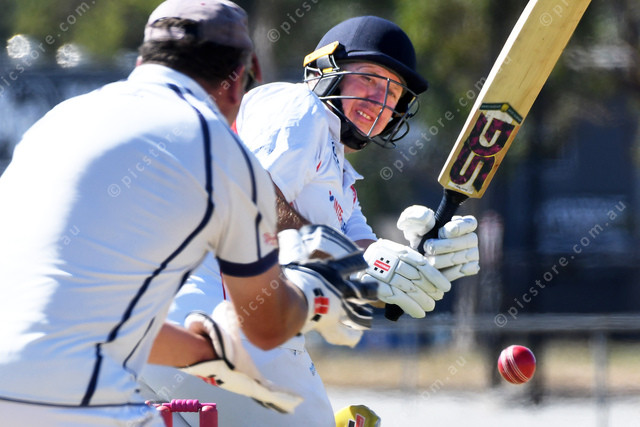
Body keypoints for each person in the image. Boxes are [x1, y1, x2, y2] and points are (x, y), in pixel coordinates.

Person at [0, 1, 376, 425]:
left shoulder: (59, 120)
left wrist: (203, 350)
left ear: (143, 61)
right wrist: (317, 290)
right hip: (81, 392)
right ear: (238, 82)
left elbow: (75, 317)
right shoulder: (220, 148)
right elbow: (268, 326)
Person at [141, 15, 480, 427]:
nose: (380, 99)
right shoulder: (300, 108)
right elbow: (249, 200)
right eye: (369, 78)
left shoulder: (341, 179)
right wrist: (353, 261)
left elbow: (360, 263)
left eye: (393, 92)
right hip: (201, 307)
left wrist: (419, 262)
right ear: (325, 70)